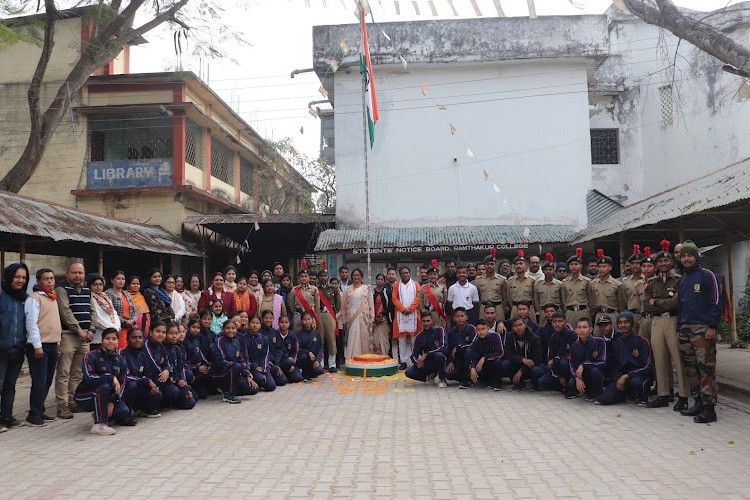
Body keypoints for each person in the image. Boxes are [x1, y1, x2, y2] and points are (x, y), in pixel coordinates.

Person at [676, 240, 720, 423]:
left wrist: (712, 326)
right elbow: (681, 306)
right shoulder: (682, 280)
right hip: (685, 330)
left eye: (689, 255)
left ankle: (709, 409)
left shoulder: (707, 275)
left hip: (703, 329)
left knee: (705, 370)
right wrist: (679, 328)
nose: (686, 259)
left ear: (696, 256)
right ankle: (698, 403)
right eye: (683, 255)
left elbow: (716, 302)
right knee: (691, 370)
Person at [644, 242, 689, 410]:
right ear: (656, 265)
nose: (663, 264)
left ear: (671, 262)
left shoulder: (678, 280)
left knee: (678, 359)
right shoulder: (651, 282)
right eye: (660, 261)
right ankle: (663, 394)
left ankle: (684, 396)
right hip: (657, 322)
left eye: (666, 261)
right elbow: (646, 306)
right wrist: (664, 303)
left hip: (673, 320)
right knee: (660, 359)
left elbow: (677, 304)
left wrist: (657, 302)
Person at [55, 261, 97, 419]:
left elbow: (93, 311)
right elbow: (65, 312)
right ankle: (62, 406)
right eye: (74, 272)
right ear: (67, 274)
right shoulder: (62, 289)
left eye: (80, 273)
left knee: (78, 373)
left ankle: (73, 402)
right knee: (64, 372)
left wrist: (92, 329)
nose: (77, 276)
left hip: (85, 338)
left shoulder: (87, 290)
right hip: (68, 336)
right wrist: (79, 330)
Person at [74, 328, 133, 435]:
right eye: (107, 338)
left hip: (107, 396)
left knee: (123, 411)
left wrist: (112, 400)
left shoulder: (121, 360)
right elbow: (89, 377)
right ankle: (99, 424)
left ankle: (100, 413)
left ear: (118, 341)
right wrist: (110, 378)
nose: (110, 341)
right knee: (104, 386)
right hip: (85, 395)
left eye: (114, 339)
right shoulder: (91, 356)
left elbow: (122, 383)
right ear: (102, 340)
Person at [24, 268, 61, 426]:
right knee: (39, 381)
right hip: (39, 346)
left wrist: (58, 342)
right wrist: (37, 346)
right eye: (46, 279)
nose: (50, 281)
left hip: (52, 344)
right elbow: (31, 323)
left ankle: (40, 409)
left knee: (47, 381)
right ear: (39, 281)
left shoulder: (52, 297)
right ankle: (33, 414)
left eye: (52, 278)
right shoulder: (34, 298)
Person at [597, 312, 653, 406]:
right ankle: (626, 393)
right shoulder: (616, 343)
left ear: (631, 323)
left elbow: (647, 366)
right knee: (604, 399)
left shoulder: (642, 341)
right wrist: (619, 377)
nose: (623, 325)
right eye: (620, 323)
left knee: (636, 382)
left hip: (639, 376)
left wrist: (627, 376)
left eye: (626, 322)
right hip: (622, 378)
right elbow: (614, 366)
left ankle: (641, 396)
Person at [0, 263, 29, 431]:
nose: (20, 280)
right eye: (17, 276)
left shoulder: (24, 298)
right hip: (2, 348)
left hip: (17, 349)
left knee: (10, 385)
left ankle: (7, 416)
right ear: (9, 276)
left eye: (23, 277)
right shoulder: (2, 296)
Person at [211, 319, 259, 403]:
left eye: (233, 328)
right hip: (220, 373)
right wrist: (236, 366)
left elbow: (241, 359)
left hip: (235, 372)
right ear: (223, 329)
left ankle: (228, 390)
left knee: (253, 389)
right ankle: (230, 395)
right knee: (236, 366)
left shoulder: (236, 342)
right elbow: (220, 361)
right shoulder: (219, 342)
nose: (230, 331)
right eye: (228, 328)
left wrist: (246, 373)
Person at [121, 327, 162, 418]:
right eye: (134, 337)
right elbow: (125, 376)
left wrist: (152, 387)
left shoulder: (142, 355)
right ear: (127, 339)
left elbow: (148, 375)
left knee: (157, 394)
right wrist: (146, 381)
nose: (137, 340)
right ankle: (127, 411)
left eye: (140, 337)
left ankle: (142, 409)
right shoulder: (122, 354)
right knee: (132, 385)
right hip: (125, 388)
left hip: (140, 386)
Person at [567, 317, 608, 401]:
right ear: (576, 330)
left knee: (595, 371)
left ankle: (597, 392)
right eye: (579, 327)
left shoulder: (599, 341)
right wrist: (577, 377)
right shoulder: (575, 345)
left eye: (585, 327)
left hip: (596, 374)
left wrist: (583, 365)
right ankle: (583, 390)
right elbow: (572, 364)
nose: (582, 330)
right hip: (582, 375)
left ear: (591, 329)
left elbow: (602, 362)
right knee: (571, 383)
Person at [536, 311, 577, 393]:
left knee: (564, 362)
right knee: (542, 382)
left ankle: (571, 384)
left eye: (560, 321)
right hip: (558, 369)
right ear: (552, 323)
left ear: (565, 322)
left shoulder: (572, 335)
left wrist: (556, 359)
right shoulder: (552, 338)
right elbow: (550, 359)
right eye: (555, 322)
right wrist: (559, 376)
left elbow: (572, 356)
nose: (557, 324)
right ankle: (564, 387)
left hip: (571, 368)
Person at [405, 312, 448, 387]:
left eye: (428, 321)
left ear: (432, 321)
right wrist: (417, 362)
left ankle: (442, 379)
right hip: (427, 363)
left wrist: (427, 355)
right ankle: (430, 375)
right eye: (424, 321)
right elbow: (413, 354)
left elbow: (444, 347)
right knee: (408, 372)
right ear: (421, 322)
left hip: (439, 360)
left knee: (439, 355)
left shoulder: (440, 330)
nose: (426, 323)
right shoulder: (419, 336)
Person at [501, 316, 543, 391]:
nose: (518, 328)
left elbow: (537, 358)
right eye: (515, 326)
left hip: (530, 365)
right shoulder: (510, 336)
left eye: (520, 325)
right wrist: (522, 359)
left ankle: (535, 384)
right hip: (517, 363)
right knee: (505, 364)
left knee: (537, 370)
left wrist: (521, 371)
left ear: (525, 325)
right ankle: (518, 384)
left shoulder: (534, 338)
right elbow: (508, 354)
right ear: (512, 328)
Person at [392, 266, 422, 369]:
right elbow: (394, 298)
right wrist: (403, 309)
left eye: (407, 272)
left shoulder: (416, 284)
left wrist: (410, 309)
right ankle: (403, 361)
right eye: (403, 273)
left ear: (409, 273)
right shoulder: (397, 285)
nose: (405, 274)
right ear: (400, 275)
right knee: (402, 339)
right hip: (401, 315)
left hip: (413, 315)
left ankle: (415, 359)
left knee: (415, 339)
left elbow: (418, 298)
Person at [590, 250, 626, 334]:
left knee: (614, 338)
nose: (601, 269)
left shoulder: (617, 284)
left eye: (604, 266)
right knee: (597, 338)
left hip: (612, 315)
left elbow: (622, 305)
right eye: (599, 267)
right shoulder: (593, 284)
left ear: (610, 267)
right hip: (599, 315)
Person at [342, 268, 374, 359]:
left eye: (358, 275)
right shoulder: (347, 290)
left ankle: (364, 358)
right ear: (351, 277)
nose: (356, 277)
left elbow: (371, 305)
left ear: (361, 277)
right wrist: (344, 321)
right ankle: (352, 358)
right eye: (354, 275)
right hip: (351, 317)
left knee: (364, 338)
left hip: (364, 317)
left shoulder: (366, 289)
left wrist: (372, 318)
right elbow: (343, 307)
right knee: (352, 338)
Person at [163, 323, 197, 409]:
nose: (174, 336)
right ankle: (164, 404)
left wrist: (184, 385)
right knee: (174, 392)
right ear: (165, 334)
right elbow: (166, 369)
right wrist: (177, 380)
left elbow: (180, 369)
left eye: (176, 333)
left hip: (177, 380)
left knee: (194, 399)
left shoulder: (177, 349)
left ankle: (178, 398)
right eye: (171, 333)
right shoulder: (163, 349)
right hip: (168, 382)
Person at [242, 315, 277, 392]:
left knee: (271, 386)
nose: (255, 325)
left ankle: (261, 381)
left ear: (260, 325)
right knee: (261, 379)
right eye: (253, 323)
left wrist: (263, 369)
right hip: (251, 367)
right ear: (248, 324)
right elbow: (244, 358)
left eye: (257, 323)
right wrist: (254, 367)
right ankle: (256, 381)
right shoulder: (243, 339)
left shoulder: (264, 339)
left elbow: (266, 356)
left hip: (262, 367)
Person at [468, 319, 504, 389]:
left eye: (483, 329)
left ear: (488, 328)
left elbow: (500, 352)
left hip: (492, 362)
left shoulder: (495, 336)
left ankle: (497, 382)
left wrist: (484, 358)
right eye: (478, 330)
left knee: (498, 361)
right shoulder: (477, 341)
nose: (481, 332)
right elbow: (474, 356)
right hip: (482, 366)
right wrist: (472, 368)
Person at [473, 251, 507, 325]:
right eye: (487, 264)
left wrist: (504, 308)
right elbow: (477, 296)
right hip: (483, 307)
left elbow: (505, 297)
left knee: (499, 327)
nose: (489, 266)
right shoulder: (478, 280)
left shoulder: (502, 279)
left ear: (495, 265)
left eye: (492, 264)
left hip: (498, 307)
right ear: (484, 266)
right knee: (483, 328)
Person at [317, 265, 341, 371]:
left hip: (330, 315)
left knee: (331, 340)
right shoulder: (315, 288)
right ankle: (321, 363)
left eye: (325, 275)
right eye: (321, 276)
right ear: (318, 277)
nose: (323, 277)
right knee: (320, 339)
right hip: (319, 315)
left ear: (328, 276)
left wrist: (335, 315)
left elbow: (338, 304)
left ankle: (332, 364)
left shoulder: (334, 288)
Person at [181, 319, 212, 400]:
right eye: (193, 327)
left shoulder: (196, 340)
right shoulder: (184, 341)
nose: (196, 330)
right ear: (188, 328)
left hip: (196, 368)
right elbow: (184, 362)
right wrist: (197, 369)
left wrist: (208, 364)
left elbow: (201, 355)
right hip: (189, 370)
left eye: (198, 328)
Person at [88, 273, 121, 349]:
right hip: (99, 336)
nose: (98, 287)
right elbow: (97, 318)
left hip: (112, 333)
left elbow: (114, 313)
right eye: (95, 284)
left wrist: (117, 326)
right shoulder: (90, 297)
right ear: (90, 286)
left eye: (100, 284)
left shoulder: (105, 297)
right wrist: (113, 328)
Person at [562, 249, 593, 328]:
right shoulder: (564, 282)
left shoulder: (587, 282)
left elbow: (591, 300)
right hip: (570, 313)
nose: (574, 266)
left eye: (576, 264)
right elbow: (563, 300)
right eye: (571, 264)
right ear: (568, 266)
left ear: (581, 266)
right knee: (570, 334)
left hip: (583, 312)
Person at [446, 308, 476, 389]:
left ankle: (467, 381)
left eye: (462, 316)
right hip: (457, 360)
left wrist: (458, 347)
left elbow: (474, 345)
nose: (460, 318)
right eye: (458, 316)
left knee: (468, 351)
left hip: (470, 359)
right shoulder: (452, 332)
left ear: (466, 317)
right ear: (454, 318)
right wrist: (450, 361)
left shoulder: (472, 329)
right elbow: (449, 348)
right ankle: (464, 377)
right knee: (448, 375)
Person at [106, 270, 136, 349]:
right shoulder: (108, 294)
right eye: (118, 278)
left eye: (123, 279)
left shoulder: (127, 294)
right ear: (112, 280)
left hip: (129, 327)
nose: (121, 281)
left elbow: (134, 310)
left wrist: (133, 320)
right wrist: (125, 322)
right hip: (117, 327)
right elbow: (110, 312)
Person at [258, 310, 288, 387]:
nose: (268, 320)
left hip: (274, 362)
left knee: (283, 381)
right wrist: (268, 361)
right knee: (271, 386)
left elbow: (279, 349)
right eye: (266, 318)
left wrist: (276, 363)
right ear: (262, 319)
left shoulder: (274, 332)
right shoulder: (259, 332)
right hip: (263, 363)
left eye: (270, 318)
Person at [288, 265, 320, 333]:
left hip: (310, 315)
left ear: (309, 278)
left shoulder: (314, 289)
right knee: (297, 333)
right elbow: (291, 305)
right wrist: (297, 312)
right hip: (298, 315)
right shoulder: (294, 289)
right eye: (302, 277)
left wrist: (314, 316)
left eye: (306, 276)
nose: (304, 278)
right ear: (299, 278)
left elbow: (317, 305)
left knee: (311, 334)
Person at [621, 245, 645, 334]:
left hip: (644, 316)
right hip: (630, 316)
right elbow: (623, 301)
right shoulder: (625, 282)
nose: (635, 265)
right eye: (632, 263)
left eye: (638, 263)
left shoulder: (648, 280)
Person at [506, 250, 536, 319]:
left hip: (529, 309)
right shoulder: (510, 281)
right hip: (515, 309)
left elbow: (535, 298)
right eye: (516, 264)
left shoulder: (533, 280)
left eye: (520, 263)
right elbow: (509, 297)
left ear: (526, 265)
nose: (518, 266)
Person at [534, 254, 563, 325]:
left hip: (557, 312)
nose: (548, 271)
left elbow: (563, 300)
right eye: (546, 270)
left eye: (550, 269)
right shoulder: (538, 285)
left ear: (554, 270)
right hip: (543, 313)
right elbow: (536, 300)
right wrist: (538, 312)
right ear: (543, 271)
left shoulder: (559, 284)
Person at [274, 315, 303, 383]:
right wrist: (277, 365)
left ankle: (290, 373)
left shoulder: (292, 336)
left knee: (298, 378)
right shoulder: (275, 335)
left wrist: (293, 364)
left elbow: (295, 352)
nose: (284, 324)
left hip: (290, 363)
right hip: (279, 362)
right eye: (282, 322)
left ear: (289, 324)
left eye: (286, 322)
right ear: (278, 323)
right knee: (281, 381)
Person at [419, 260, 448, 329]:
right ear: (428, 276)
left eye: (435, 274)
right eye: (431, 274)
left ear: (438, 276)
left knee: (438, 331)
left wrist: (441, 312)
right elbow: (421, 302)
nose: (433, 276)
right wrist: (424, 312)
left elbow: (444, 301)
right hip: (427, 313)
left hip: (438, 313)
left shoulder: (443, 287)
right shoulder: (423, 287)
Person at [297, 312, 324, 380]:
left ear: (312, 320)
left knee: (320, 371)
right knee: (304, 357)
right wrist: (308, 352)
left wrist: (317, 360)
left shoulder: (316, 333)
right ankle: (305, 373)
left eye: (309, 319)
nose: (307, 322)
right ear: (302, 321)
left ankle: (311, 372)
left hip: (314, 359)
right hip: (304, 358)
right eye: (305, 320)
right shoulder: (299, 334)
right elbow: (298, 349)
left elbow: (320, 348)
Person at [638, 247, 657, 341]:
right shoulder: (637, 285)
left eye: (649, 266)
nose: (646, 269)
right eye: (644, 266)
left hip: (657, 319)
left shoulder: (659, 282)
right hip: (644, 319)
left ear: (655, 267)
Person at [372, 273, 392, 357]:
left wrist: (382, 315)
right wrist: (374, 317)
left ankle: (385, 356)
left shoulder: (387, 292)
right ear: (375, 280)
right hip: (373, 320)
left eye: (381, 279)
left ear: (384, 281)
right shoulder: (372, 292)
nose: (379, 281)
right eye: (378, 279)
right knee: (375, 340)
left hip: (384, 319)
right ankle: (376, 356)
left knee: (384, 339)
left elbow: (390, 305)